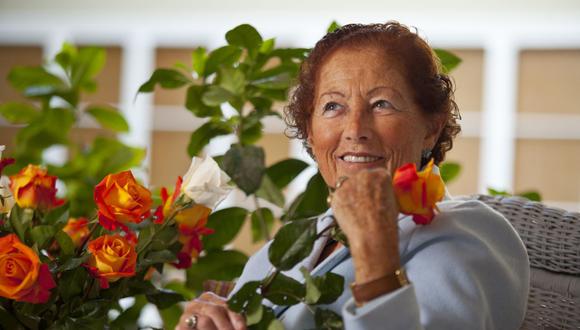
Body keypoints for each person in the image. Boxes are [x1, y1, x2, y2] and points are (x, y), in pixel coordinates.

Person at [177, 21, 530, 330]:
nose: (355, 129)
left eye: (382, 104)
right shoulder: (286, 248)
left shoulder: (472, 234)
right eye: (333, 106)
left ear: (431, 129)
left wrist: (375, 250)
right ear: (312, 134)